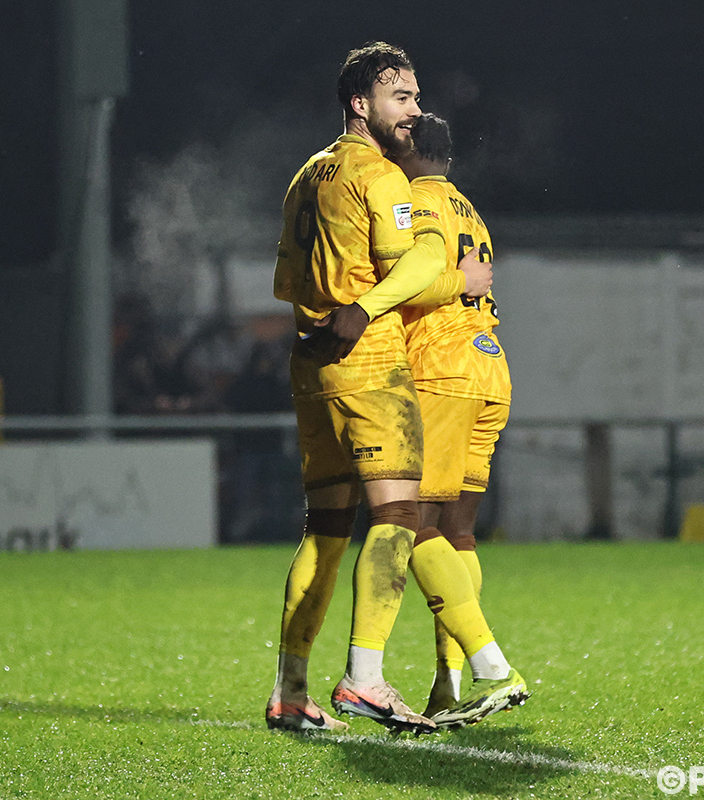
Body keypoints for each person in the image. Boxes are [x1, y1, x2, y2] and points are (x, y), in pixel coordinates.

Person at [265, 41, 496, 734]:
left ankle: (291, 691)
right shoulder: (381, 175)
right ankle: (365, 680)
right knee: (398, 516)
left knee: (325, 530)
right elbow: (412, 270)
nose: (415, 110)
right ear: (360, 104)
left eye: (417, 97)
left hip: (312, 363)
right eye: (402, 97)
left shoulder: (306, 175)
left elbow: (286, 282)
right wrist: (444, 281)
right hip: (369, 362)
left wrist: (325, 316)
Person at [391, 113, 528, 727]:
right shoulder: (470, 209)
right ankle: (447, 682)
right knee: (459, 531)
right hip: (489, 365)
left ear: (410, 148)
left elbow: (415, 284)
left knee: (411, 524)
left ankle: (492, 667)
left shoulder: (417, 204)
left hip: (442, 369)